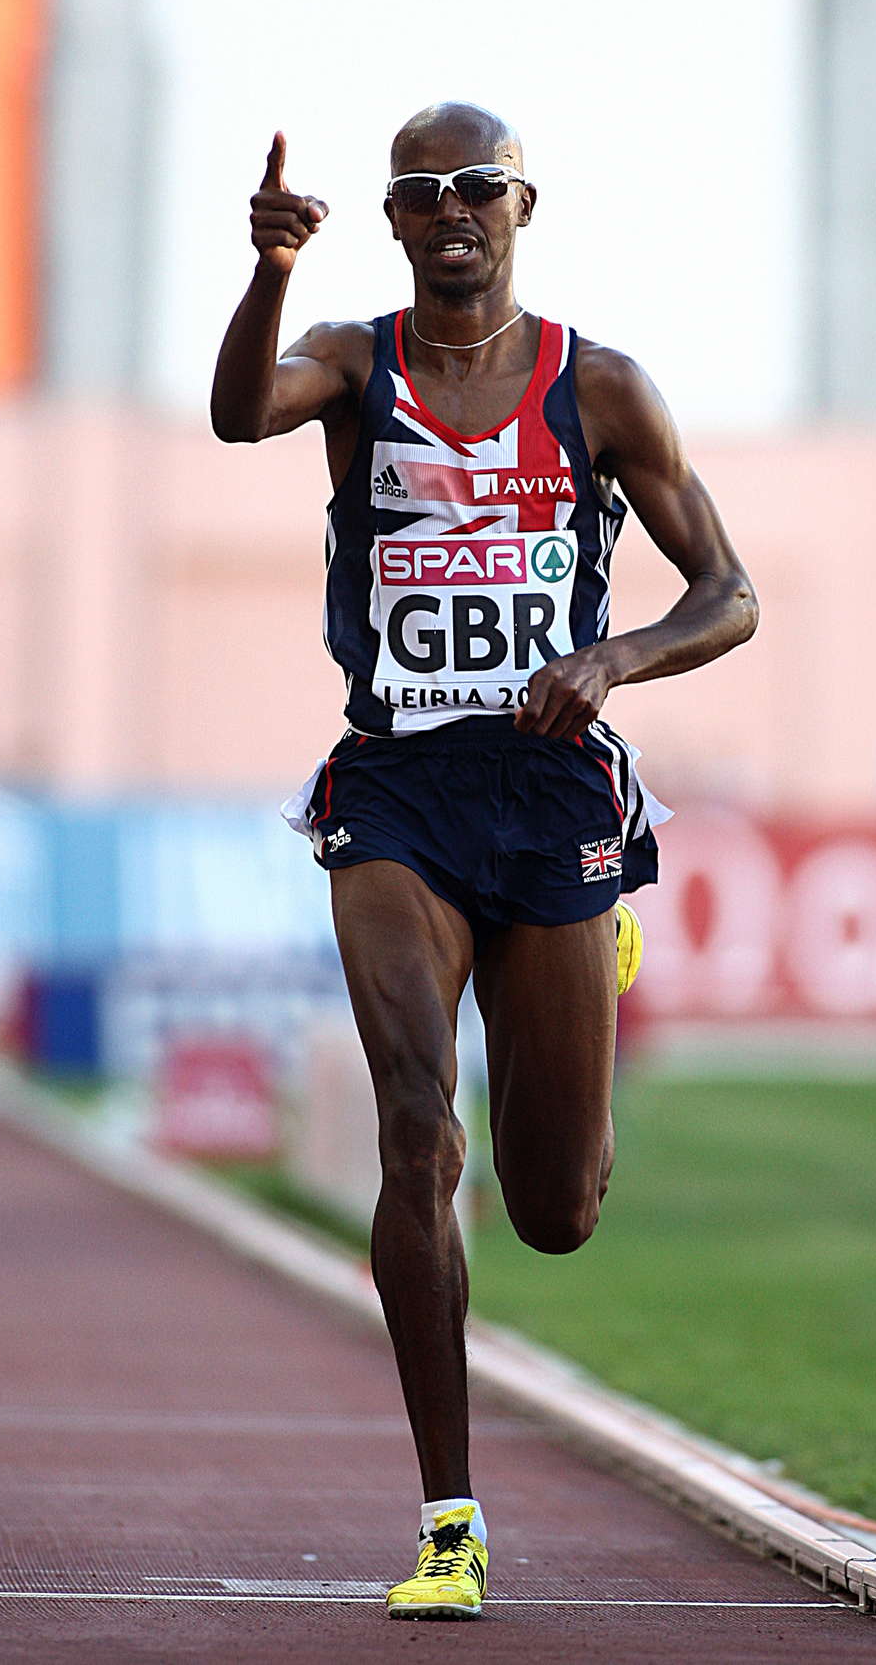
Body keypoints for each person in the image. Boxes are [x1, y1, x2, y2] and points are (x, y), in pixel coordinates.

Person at [211, 102, 757, 1620]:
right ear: (393, 219)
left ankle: (593, 943)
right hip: (397, 791)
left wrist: (614, 658)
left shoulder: (602, 387)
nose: (451, 211)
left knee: (554, 1208)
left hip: (551, 786)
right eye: (421, 193)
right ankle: (449, 1521)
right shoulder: (350, 361)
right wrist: (267, 271)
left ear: (522, 205)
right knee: (414, 1129)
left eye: (477, 188)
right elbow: (238, 414)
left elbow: (728, 591)